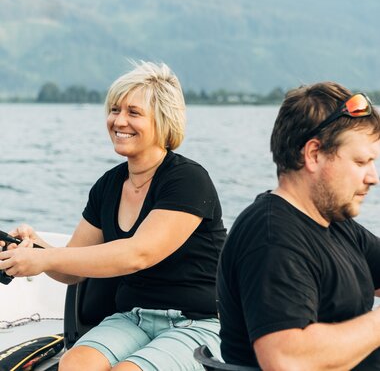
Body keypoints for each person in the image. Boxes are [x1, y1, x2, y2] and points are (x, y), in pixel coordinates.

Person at [0, 61, 226, 371]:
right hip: (133, 317)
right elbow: (72, 269)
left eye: (133, 113)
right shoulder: (108, 185)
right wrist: (35, 246)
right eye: (115, 110)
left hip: (197, 322)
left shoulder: (187, 180)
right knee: (73, 365)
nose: (119, 120)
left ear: (163, 120)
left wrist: (45, 260)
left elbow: (138, 254)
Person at [217, 81, 380, 370]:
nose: (372, 177)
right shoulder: (271, 237)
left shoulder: (336, 224)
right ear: (314, 154)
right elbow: (287, 358)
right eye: (360, 162)